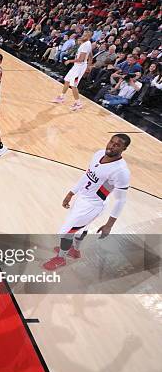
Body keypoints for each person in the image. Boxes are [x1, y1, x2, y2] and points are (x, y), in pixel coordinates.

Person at [44, 134, 131, 271]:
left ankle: (61, 258)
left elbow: (121, 200)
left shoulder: (121, 171)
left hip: (93, 205)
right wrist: (71, 193)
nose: (112, 145)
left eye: (117, 145)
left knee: (66, 232)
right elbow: (87, 175)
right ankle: (75, 250)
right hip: (82, 198)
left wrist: (109, 225)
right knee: (81, 228)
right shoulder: (99, 154)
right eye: (111, 141)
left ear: (124, 148)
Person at [53, 31, 93, 111]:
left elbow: (81, 59)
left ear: (89, 36)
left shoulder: (86, 45)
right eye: (83, 34)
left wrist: (69, 61)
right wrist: (89, 66)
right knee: (67, 80)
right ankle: (62, 97)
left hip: (80, 67)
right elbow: (91, 56)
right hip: (77, 66)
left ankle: (78, 103)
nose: (83, 36)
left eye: (85, 35)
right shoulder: (87, 43)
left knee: (73, 85)